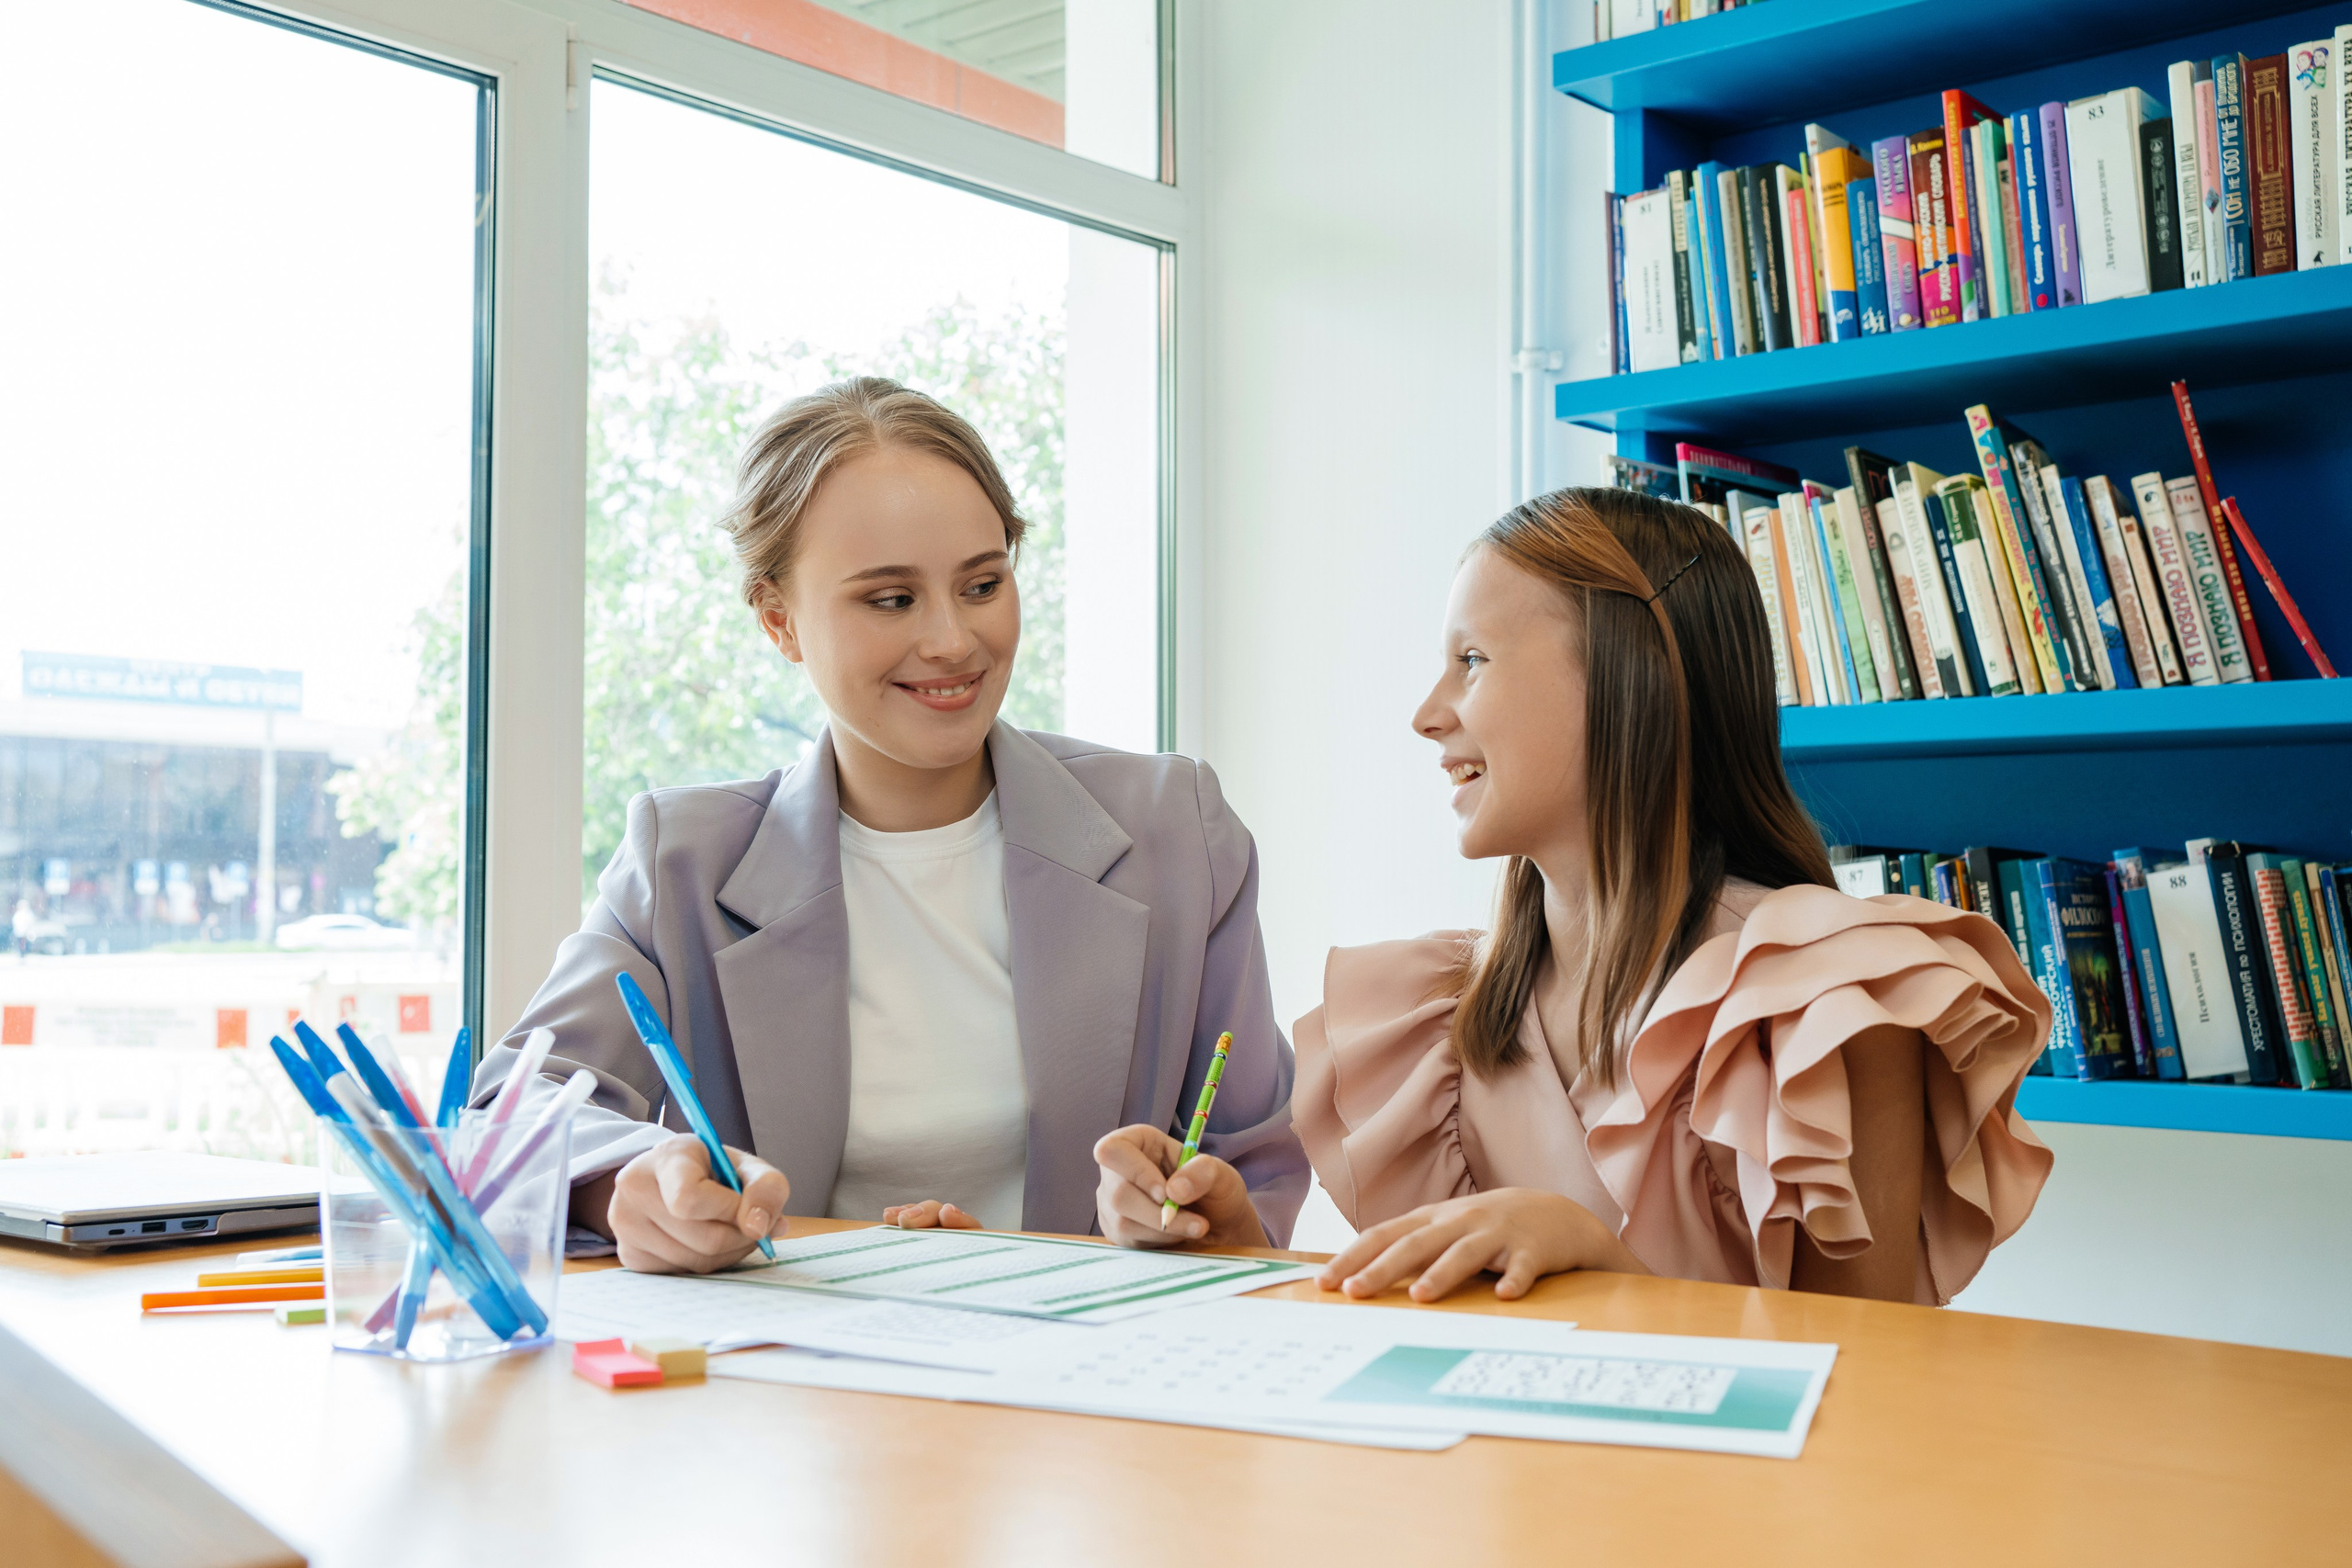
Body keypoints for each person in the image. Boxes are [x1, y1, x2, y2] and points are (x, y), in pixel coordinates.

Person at [492, 377, 1306, 1273]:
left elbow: (1252, 1175)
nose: (954, 641)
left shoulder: (1175, 833)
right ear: (778, 621)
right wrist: (626, 1184)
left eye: (983, 584)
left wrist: (1203, 1212)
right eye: (890, 599)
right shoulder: (681, 860)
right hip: (792, 1385)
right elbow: (509, 1111)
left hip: (1077, 1384)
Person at [1288, 487, 2053, 1306]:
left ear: (1627, 674)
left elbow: (1869, 1375)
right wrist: (1231, 1236)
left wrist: (1606, 1268)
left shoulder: (1831, 1000)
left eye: (1471, 660)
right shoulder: (1436, 1021)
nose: (1426, 715)